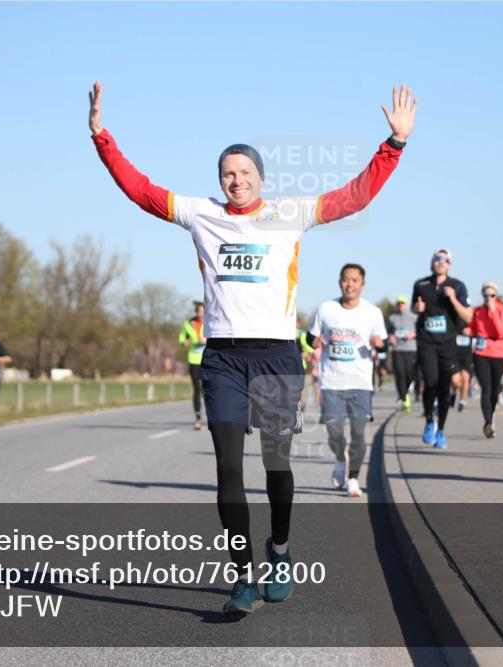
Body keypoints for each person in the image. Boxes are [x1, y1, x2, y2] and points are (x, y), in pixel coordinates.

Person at [88, 80, 416, 613]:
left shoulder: (291, 212)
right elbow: (140, 189)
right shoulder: (200, 213)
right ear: (218, 180)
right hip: (222, 358)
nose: (236, 180)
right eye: (227, 173)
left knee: (277, 466)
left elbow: (356, 195)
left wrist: (393, 145)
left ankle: (279, 551)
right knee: (227, 472)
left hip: (277, 356)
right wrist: (102, 137)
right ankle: (242, 575)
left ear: (261, 177)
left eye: (244, 173)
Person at [309, 264, 387, 497]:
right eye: (346, 279)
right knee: (334, 432)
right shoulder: (326, 309)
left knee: (359, 434)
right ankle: (339, 459)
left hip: (361, 383)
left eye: (355, 280)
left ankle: (353, 478)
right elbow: (311, 336)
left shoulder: (372, 313)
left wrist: (380, 345)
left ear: (363, 284)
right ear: (340, 282)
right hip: (332, 382)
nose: (350, 284)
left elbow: (382, 346)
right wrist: (311, 342)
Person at [411, 249, 473, 449]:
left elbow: (468, 317)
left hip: (448, 344)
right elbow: (415, 307)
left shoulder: (458, 286)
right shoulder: (421, 285)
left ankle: (441, 430)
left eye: (444, 260)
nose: (440, 262)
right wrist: (416, 309)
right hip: (426, 342)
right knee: (430, 383)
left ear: (450, 264)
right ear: (432, 262)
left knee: (445, 388)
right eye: (436, 259)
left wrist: (454, 299)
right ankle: (430, 421)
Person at [468, 282, 503, 438]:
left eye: (491, 295)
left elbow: (501, 331)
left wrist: (493, 313)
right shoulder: (478, 311)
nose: (488, 298)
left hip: (499, 353)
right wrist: (467, 331)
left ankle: (491, 415)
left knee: (494, 391)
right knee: (485, 389)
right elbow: (472, 328)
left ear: (496, 296)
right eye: (485, 295)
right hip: (481, 353)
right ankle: (487, 422)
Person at [179, 301, 208, 430]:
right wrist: (184, 342)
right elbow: (182, 339)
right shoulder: (187, 324)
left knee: (208, 389)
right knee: (197, 389)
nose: (200, 314)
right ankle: (198, 419)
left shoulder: (211, 322)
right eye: (198, 311)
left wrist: (207, 340)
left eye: (202, 311)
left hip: (208, 359)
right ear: (195, 312)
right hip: (194, 360)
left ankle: (214, 417)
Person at [387, 295, 417, 413]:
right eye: (399, 303)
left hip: (410, 349)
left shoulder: (414, 317)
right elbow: (387, 333)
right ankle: (404, 398)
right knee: (400, 373)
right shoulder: (392, 318)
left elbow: (420, 330)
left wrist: (413, 335)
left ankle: (406, 393)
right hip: (397, 349)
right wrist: (391, 337)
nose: (401, 306)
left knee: (409, 374)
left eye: (403, 303)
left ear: (406, 304)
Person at [452, 323, 474, 412]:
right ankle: (453, 393)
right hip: (454, 356)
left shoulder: (471, 322)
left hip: (467, 356)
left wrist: (473, 332)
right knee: (455, 381)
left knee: (465, 376)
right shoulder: (453, 321)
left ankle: (462, 401)